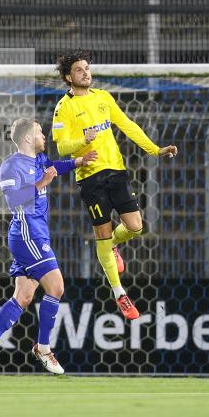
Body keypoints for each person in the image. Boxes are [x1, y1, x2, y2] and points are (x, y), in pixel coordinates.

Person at [52, 51, 178, 320]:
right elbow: (62, 146)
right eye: (78, 70)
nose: (85, 72)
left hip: (116, 171)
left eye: (87, 68)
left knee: (135, 226)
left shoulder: (103, 98)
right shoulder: (64, 107)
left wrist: (155, 150)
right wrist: (82, 141)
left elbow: (128, 125)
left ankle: (113, 246)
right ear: (68, 77)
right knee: (102, 235)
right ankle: (119, 293)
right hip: (90, 177)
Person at [0, 118, 97, 374]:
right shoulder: (11, 166)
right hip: (27, 233)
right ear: (27, 139)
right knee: (57, 286)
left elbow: (53, 167)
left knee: (24, 296)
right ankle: (43, 348)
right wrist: (42, 183)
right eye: (40, 132)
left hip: (36, 232)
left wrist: (78, 162)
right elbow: (13, 200)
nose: (44, 136)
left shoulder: (39, 161)